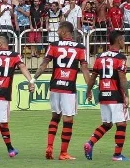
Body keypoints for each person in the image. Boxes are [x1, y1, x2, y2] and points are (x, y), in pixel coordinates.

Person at [32, 21, 91, 160]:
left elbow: (43, 65)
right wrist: (89, 89)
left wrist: (33, 79)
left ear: (65, 32)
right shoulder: (80, 48)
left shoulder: (53, 46)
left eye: (59, 29)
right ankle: (63, 153)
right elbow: (84, 69)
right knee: (68, 120)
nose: (57, 31)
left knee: (55, 117)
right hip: (68, 87)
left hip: (55, 86)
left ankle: (49, 147)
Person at [83, 31, 130, 161]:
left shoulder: (100, 57)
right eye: (123, 40)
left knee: (107, 124)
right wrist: (126, 95)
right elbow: (122, 78)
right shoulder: (120, 57)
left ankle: (90, 143)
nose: (124, 42)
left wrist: (88, 91)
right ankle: (117, 155)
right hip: (116, 95)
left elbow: (93, 77)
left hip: (103, 94)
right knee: (122, 124)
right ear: (119, 40)